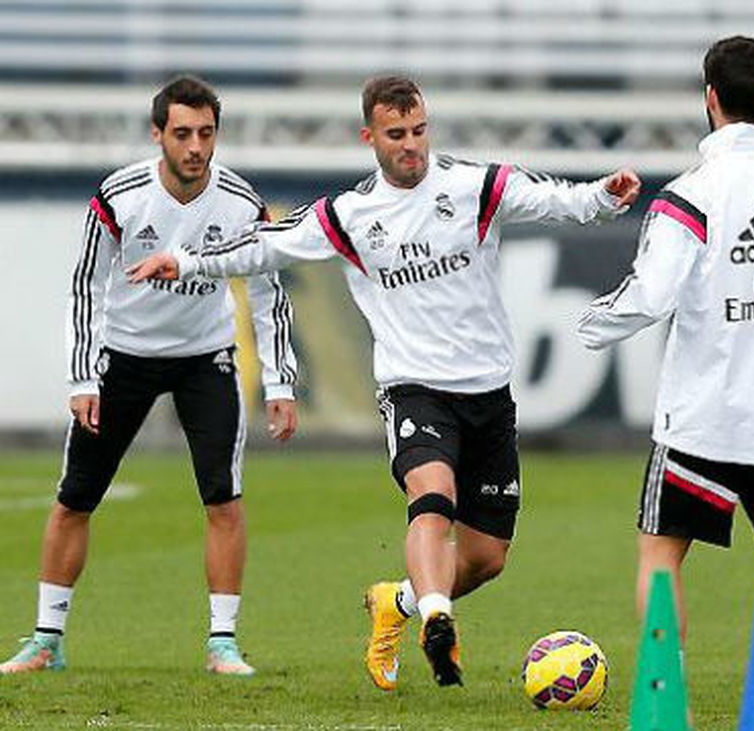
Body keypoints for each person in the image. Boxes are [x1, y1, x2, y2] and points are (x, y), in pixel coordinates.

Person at [126, 75, 641, 690]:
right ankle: (438, 621)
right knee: (433, 498)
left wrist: (606, 196)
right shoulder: (349, 215)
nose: (411, 146)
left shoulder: (474, 187)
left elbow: (558, 200)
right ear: (369, 137)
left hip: (488, 393)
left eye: (419, 131)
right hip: (413, 387)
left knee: (485, 557)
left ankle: (399, 602)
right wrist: (184, 260)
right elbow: (262, 248)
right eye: (396, 135)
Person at [576, 37, 754, 730]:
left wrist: (588, 323)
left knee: (662, 553)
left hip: (704, 415)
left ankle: (663, 702)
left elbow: (650, 296)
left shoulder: (690, 195)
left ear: (709, 97)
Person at [0, 76, 298, 677]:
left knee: (224, 498)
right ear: (157, 133)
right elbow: (85, 285)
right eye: (182, 133)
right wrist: (83, 377)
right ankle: (46, 639)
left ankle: (222, 644)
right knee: (74, 498)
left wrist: (280, 383)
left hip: (205, 357)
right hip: (123, 357)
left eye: (206, 134)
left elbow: (268, 291)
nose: (195, 147)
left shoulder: (241, 204)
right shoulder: (119, 196)